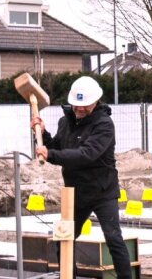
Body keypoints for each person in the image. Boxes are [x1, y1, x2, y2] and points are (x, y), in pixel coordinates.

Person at [33, 76, 132, 279]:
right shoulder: (65, 122)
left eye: (84, 105)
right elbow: (58, 148)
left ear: (95, 102)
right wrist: (44, 135)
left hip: (102, 191)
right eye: (76, 104)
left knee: (114, 238)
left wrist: (50, 154)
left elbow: (86, 154)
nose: (79, 109)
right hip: (75, 192)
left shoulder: (104, 125)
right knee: (64, 239)